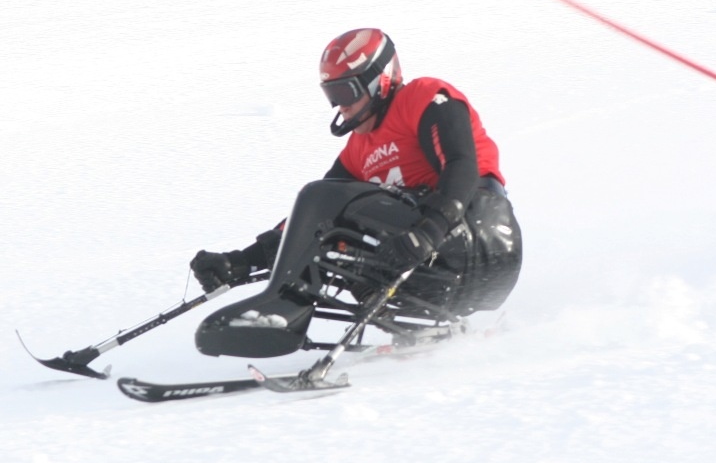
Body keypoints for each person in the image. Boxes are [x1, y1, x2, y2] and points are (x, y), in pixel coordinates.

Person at [190, 28, 522, 358]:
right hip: (439, 273)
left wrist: (428, 230)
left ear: (380, 81)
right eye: (331, 95)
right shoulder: (358, 151)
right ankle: (390, 322)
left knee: (325, 200)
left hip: (481, 236)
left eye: (345, 92)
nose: (340, 106)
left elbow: (462, 164)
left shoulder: (422, 97)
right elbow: (307, 223)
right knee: (327, 226)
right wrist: (242, 261)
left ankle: (280, 312)